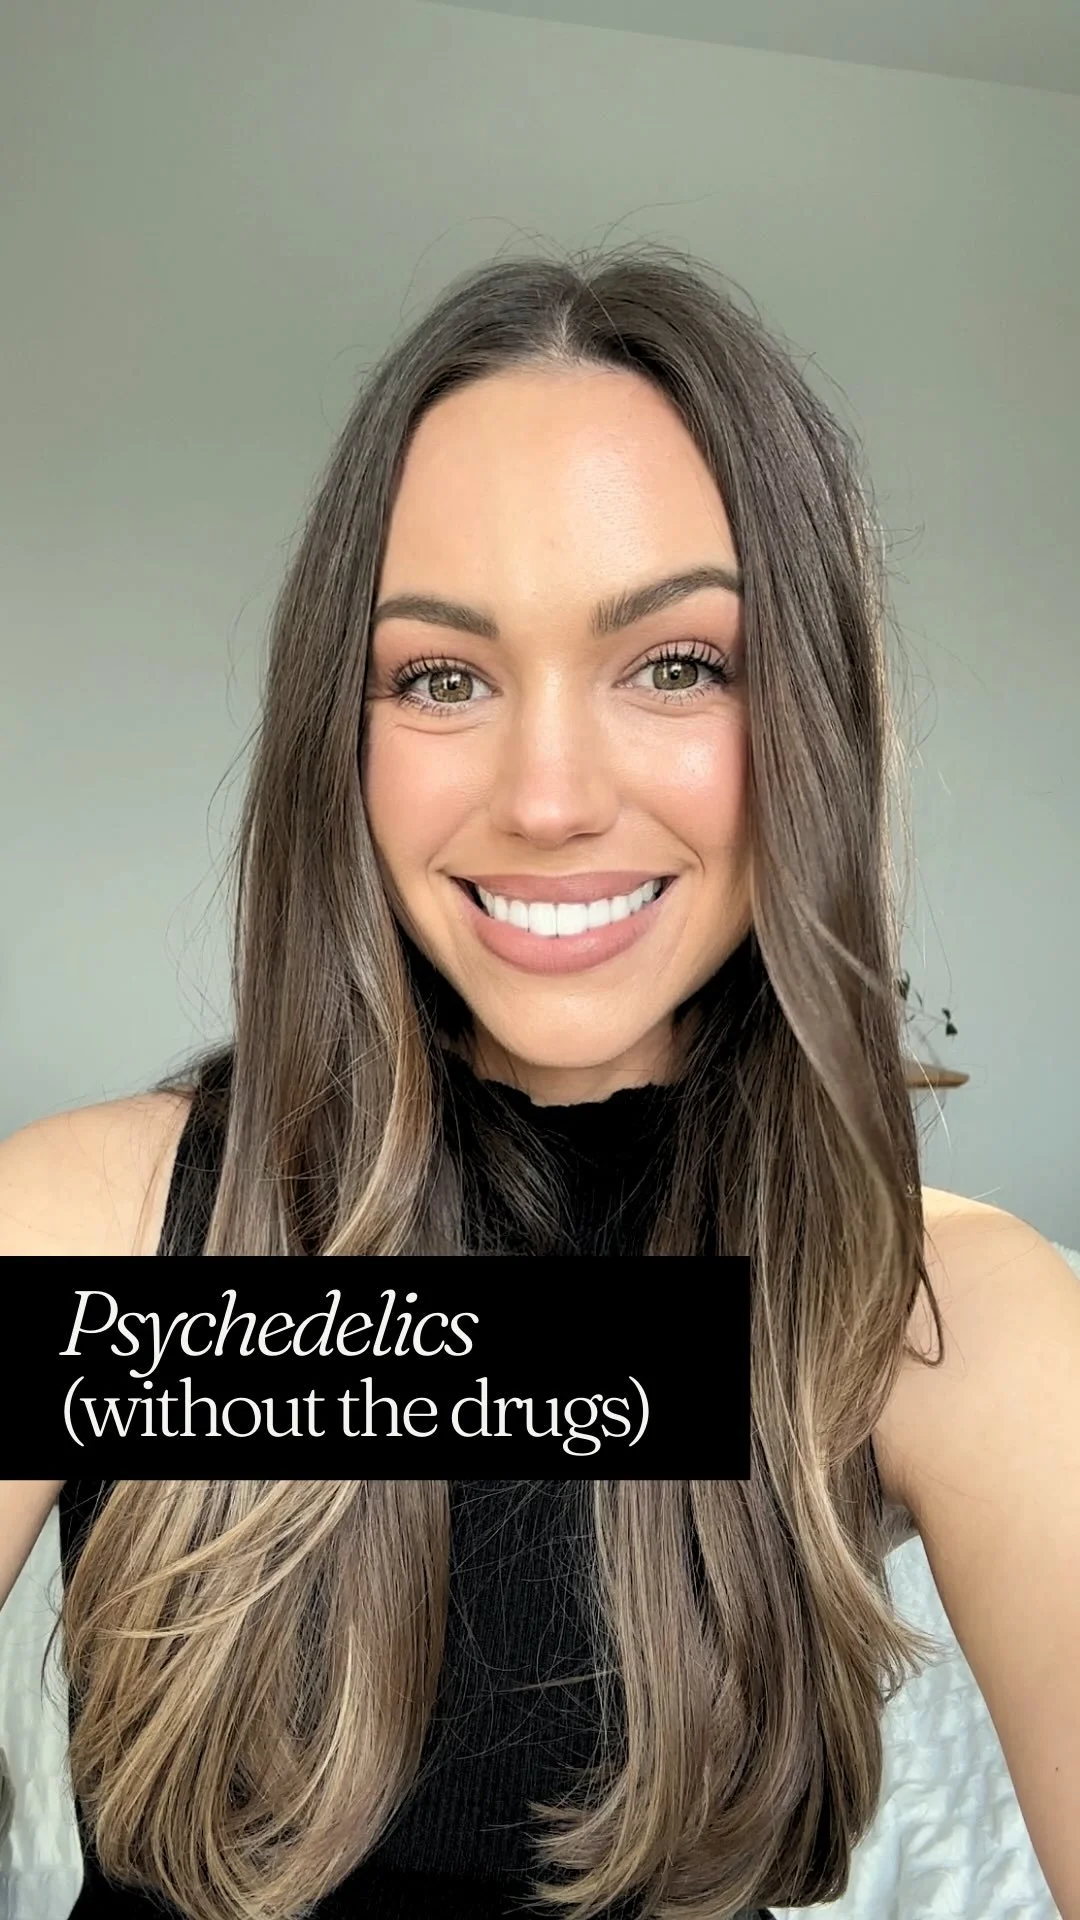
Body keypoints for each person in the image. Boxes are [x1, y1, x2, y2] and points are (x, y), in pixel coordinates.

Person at [1, 244, 1077, 1920]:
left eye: (677, 664)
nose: (550, 796)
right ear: (341, 737)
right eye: (442, 677)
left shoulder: (939, 1313)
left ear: (809, 718)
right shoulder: (96, 1233)